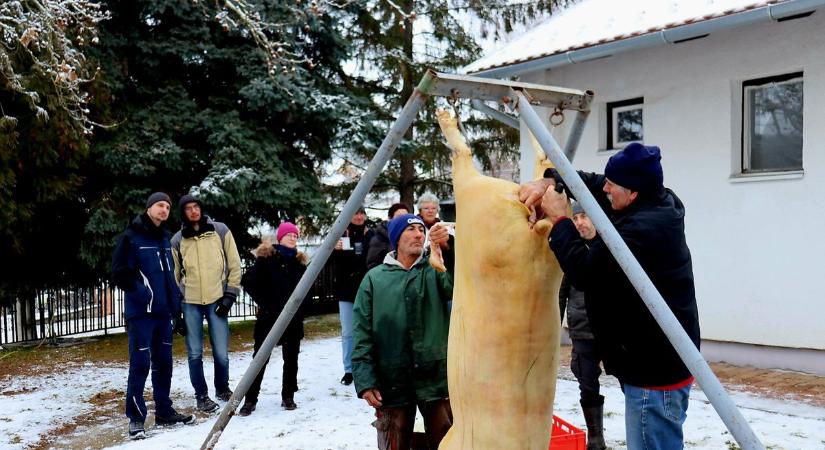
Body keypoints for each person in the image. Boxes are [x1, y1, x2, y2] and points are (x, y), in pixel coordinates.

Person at [519, 142, 701, 450]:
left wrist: (561, 221)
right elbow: (592, 183)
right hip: (659, 360)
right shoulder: (654, 201)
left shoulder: (640, 230)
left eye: (612, 185)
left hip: (655, 374)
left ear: (632, 193)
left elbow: (585, 271)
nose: (604, 188)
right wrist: (552, 179)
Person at [352, 214, 454, 450]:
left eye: (421, 229)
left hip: (436, 376)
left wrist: (448, 248)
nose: (419, 234)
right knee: (393, 441)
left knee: (447, 439)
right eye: (411, 230)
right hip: (392, 380)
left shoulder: (435, 269)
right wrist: (365, 380)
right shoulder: (374, 279)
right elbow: (361, 333)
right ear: (396, 238)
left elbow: (456, 284)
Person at [111, 192, 194, 440]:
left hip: (164, 315)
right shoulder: (131, 237)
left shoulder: (164, 239)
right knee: (140, 365)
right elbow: (119, 273)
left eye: (168, 207)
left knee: (164, 364)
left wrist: (176, 311)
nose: (164, 210)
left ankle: (165, 413)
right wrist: (144, 294)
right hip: (141, 315)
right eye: (160, 205)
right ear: (149, 208)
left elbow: (170, 278)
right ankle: (136, 419)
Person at [171, 194, 242, 413]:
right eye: (188, 208)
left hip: (217, 299)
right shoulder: (177, 240)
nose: (193, 211)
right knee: (194, 353)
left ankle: (222, 388)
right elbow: (174, 277)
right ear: (183, 213)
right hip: (190, 302)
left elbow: (234, 264)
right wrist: (177, 313)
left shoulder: (220, 231)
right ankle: (201, 395)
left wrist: (229, 296)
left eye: (196, 207)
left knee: (221, 352)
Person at [239, 222, 309, 416]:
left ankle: (288, 396)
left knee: (291, 358)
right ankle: (250, 399)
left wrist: (299, 309)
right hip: (269, 318)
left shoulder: (300, 263)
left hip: (292, 320)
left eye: (295, 236)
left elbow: (307, 290)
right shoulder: (267, 259)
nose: (293, 238)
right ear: (280, 237)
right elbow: (249, 282)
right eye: (289, 235)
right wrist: (267, 304)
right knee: (260, 359)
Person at [558, 201, 606, 450]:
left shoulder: (609, 246)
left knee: (629, 377)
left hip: (610, 329)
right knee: (586, 381)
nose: (580, 223)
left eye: (584, 216)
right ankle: (595, 437)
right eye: (575, 219)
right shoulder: (572, 250)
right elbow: (561, 291)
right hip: (582, 329)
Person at [332, 206, 372, 386]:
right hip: (346, 292)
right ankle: (349, 369)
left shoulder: (370, 234)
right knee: (348, 332)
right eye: (356, 213)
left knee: (368, 330)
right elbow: (329, 263)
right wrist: (334, 249)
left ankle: (369, 366)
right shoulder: (340, 234)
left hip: (367, 291)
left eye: (362, 213)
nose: (359, 216)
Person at [365, 202, 410, 269]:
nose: (402, 220)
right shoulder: (379, 239)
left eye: (405, 217)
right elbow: (372, 265)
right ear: (390, 218)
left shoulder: (412, 236)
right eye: (399, 217)